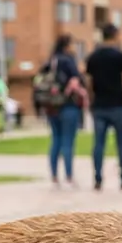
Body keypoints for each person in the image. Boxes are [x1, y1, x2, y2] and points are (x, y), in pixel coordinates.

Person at [84, 24, 122, 191]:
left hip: (99, 106)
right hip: (118, 105)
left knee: (98, 143)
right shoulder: (121, 56)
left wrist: (92, 101)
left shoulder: (92, 57)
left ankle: (98, 179)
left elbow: (88, 83)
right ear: (115, 35)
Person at [39, 34, 86, 188]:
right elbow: (79, 79)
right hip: (68, 105)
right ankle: (69, 175)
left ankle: (54, 175)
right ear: (67, 45)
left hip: (51, 106)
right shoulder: (68, 60)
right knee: (68, 141)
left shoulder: (50, 62)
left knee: (56, 139)